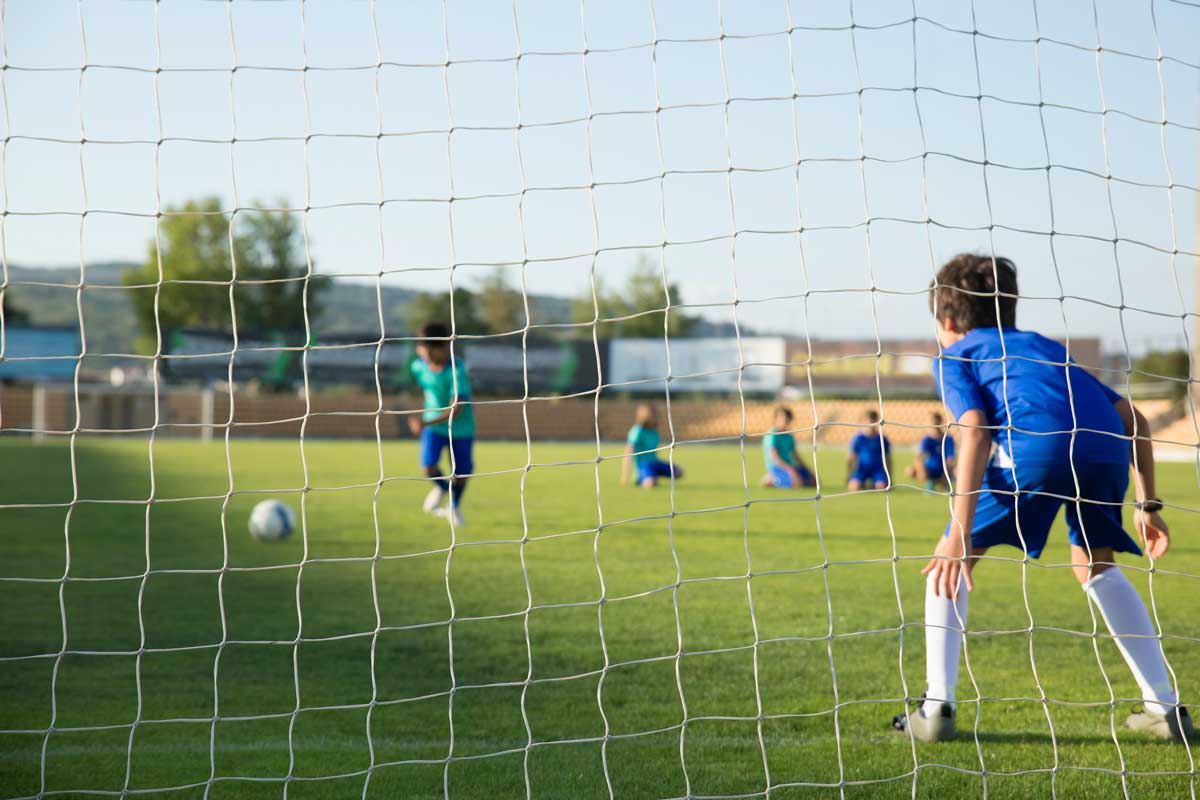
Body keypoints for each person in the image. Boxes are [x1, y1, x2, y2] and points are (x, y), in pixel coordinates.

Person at [902, 253, 1188, 743]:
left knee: (951, 558)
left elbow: (974, 430)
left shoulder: (956, 354)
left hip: (1040, 450)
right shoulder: (1044, 347)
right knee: (1097, 566)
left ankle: (937, 707)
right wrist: (1149, 506)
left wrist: (958, 532)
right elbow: (1135, 419)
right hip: (1102, 448)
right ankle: (1164, 707)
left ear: (946, 321)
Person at [407, 321, 474, 527]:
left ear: (442, 347)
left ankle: (453, 506)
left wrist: (425, 422)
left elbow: (457, 409)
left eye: (427, 349)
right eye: (421, 348)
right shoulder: (418, 366)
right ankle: (443, 489)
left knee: (462, 473)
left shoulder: (457, 369)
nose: (423, 353)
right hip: (435, 428)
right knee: (428, 466)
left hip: (460, 427)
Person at [621, 403, 683, 488]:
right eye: (652, 414)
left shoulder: (654, 431)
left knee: (679, 472)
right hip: (643, 465)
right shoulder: (637, 431)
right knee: (650, 484)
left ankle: (653, 475)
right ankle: (640, 477)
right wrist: (625, 476)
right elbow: (628, 452)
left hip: (655, 462)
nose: (655, 416)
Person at [761, 405, 816, 488]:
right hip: (777, 467)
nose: (785, 420)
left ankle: (780, 480)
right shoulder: (772, 434)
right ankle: (772, 479)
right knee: (797, 483)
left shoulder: (789, 436)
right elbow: (774, 456)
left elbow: (795, 455)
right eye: (782, 417)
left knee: (814, 482)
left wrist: (807, 469)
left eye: (787, 418)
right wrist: (789, 469)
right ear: (776, 419)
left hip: (791, 466)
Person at [906, 411, 956, 491]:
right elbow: (919, 458)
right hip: (930, 469)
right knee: (910, 470)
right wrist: (921, 469)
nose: (934, 425)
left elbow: (950, 459)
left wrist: (946, 473)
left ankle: (946, 483)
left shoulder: (948, 439)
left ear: (940, 422)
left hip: (944, 469)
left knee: (958, 471)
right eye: (932, 422)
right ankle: (929, 481)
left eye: (936, 422)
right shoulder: (926, 439)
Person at [846, 409, 892, 491]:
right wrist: (849, 475)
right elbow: (851, 457)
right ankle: (862, 483)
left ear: (877, 421)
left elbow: (888, 458)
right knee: (854, 486)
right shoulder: (859, 438)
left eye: (873, 421)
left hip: (877, 470)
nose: (871, 424)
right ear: (864, 421)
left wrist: (889, 476)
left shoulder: (882, 438)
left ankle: (874, 483)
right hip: (862, 469)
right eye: (869, 421)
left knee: (881, 487)